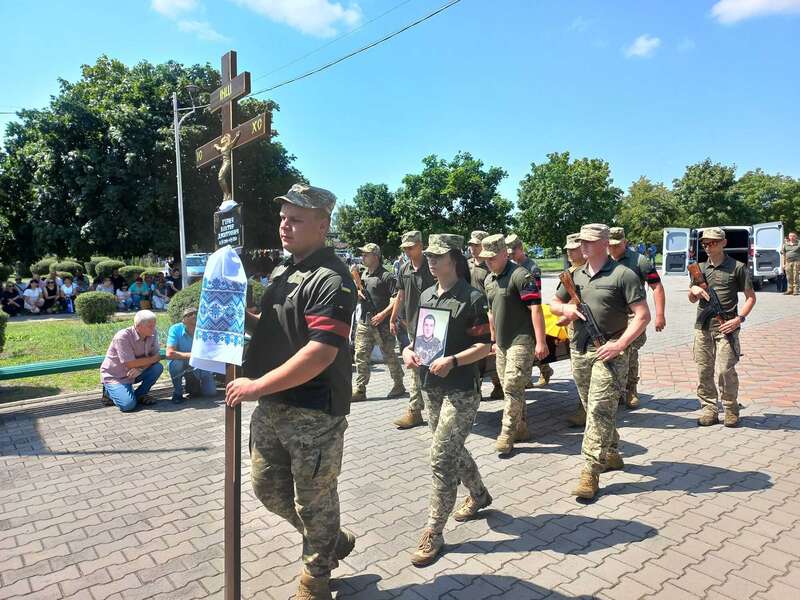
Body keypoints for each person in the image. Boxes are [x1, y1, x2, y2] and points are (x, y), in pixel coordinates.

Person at [224, 183, 357, 600]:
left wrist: (256, 385)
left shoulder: (332, 280)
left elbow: (319, 353)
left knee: (313, 501)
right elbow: (274, 324)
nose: (285, 226)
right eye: (283, 218)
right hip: (274, 401)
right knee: (267, 487)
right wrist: (228, 315)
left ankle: (315, 580)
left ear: (322, 225)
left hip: (314, 409)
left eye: (296, 220)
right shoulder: (285, 270)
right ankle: (330, 539)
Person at [401, 233, 492, 567]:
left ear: (454, 259)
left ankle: (433, 531)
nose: (431, 261)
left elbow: (485, 346)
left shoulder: (472, 297)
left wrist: (453, 361)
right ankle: (480, 495)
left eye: (438, 256)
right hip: (431, 387)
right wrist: (409, 351)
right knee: (452, 448)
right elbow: (418, 338)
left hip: (462, 389)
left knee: (441, 456)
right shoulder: (427, 294)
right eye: (429, 256)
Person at [551, 224, 650, 500]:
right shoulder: (574, 275)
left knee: (597, 409)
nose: (584, 246)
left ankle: (590, 471)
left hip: (610, 352)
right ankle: (612, 451)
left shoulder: (623, 275)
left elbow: (642, 316)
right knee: (591, 404)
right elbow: (554, 305)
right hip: (580, 350)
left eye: (590, 241)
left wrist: (619, 344)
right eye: (582, 241)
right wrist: (567, 308)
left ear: (605, 242)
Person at [481, 234, 549, 455]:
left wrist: (541, 341)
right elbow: (491, 312)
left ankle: (507, 433)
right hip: (502, 343)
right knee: (512, 387)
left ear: (504, 253)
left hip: (522, 340)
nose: (488, 262)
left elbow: (536, 309)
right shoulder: (489, 280)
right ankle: (520, 427)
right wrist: (492, 340)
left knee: (511, 386)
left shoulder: (521, 275)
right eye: (486, 258)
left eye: (492, 257)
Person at [689, 227, 756, 428]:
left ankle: (730, 408)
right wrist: (693, 290)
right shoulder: (699, 269)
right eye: (705, 244)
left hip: (727, 325)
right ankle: (709, 409)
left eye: (713, 243)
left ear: (723, 243)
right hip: (703, 326)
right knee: (704, 370)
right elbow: (692, 299)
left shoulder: (737, 267)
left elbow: (750, 298)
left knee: (725, 370)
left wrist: (739, 319)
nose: (708, 247)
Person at [608, 227, 667, 408]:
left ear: (625, 242)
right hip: (610, 316)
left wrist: (660, 315)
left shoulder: (640, 261)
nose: (613, 249)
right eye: (610, 245)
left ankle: (631, 388)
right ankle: (615, 390)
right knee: (612, 353)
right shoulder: (603, 261)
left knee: (629, 351)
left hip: (633, 316)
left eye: (617, 245)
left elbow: (656, 286)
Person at [390, 230, 436, 429]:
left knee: (433, 368)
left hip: (433, 327)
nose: (408, 251)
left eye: (411, 247)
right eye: (405, 248)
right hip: (412, 327)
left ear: (421, 245)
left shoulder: (432, 266)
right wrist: (393, 318)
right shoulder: (404, 268)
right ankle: (415, 410)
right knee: (415, 369)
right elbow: (400, 296)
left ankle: (436, 407)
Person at [351, 242, 406, 402]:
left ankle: (398, 384)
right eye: (362, 254)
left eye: (366, 254)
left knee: (389, 354)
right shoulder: (363, 275)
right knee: (360, 355)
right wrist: (357, 294)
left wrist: (383, 315)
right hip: (364, 322)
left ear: (376, 256)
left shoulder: (386, 276)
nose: (363, 257)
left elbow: (396, 299)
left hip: (382, 324)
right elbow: (357, 294)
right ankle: (360, 389)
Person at [506, 233, 553, 387]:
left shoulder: (532, 268)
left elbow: (536, 296)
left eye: (513, 252)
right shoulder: (512, 266)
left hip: (529, 312)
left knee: (532, 345)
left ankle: (544, 369)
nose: (511, 256)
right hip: (517, 313)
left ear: (521, 249)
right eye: (509, 253)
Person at [100, 309, 163, 412]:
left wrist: (142, 368)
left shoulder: (153, 333)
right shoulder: (122, 337)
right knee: (128, 406)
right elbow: (130, 363)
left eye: (154, 325)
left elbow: (156, 356)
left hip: (134, 373)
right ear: (138, 326)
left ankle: (139, 395)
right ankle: (108, 392)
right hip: (116, 376)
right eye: (150, 326)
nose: (154, 328)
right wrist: (152, 359)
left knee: (157, 368)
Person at [467, 230, 503, 400]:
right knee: (476, 352)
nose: (472, 248)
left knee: (491, 353)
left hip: (489, 314)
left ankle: (498, 384)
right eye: (471, 245)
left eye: (476, 245)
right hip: (472, 316)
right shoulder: (467, 265)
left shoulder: (490, 268)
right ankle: (477, 389)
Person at [562, 232, 588, 428]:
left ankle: (586, 408)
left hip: (596, 327)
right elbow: (562, 300)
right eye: (568, 250)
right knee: (579, 370)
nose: (570, 253)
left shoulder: (592, 269)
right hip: (575, 328)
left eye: (573, 249)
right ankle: (584, 406)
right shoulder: (569, 273)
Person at [165, 307, 216, 404]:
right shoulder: (175, 329)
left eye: (196, 313)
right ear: (183, 320)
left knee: (211, 393)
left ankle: (193, 382)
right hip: (181, 362)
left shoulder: (205, 329)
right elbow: (169, 353)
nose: (194, 316)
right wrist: (192, 355)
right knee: (176, 362)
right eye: (189, 314)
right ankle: (178, 393)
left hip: (198, 363)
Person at [782, 231, 799, 295]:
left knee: (795, 276)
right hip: (788, 262)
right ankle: (790, 290)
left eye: (793, 236)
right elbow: (783, 255)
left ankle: (796, 290)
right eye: (790, 236)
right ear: (788, 237)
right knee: (789, 277)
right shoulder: (785, 244)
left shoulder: (799, 243)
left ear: (796, 237)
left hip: (796, 262)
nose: (792, 237)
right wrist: (783, 264)